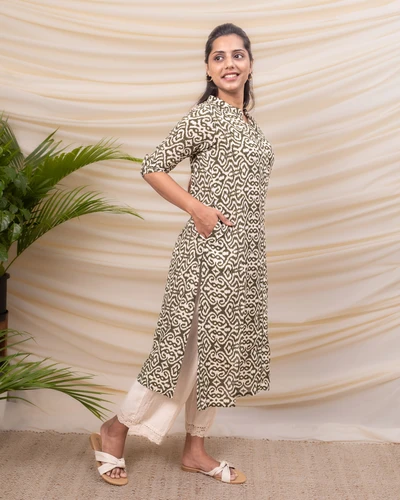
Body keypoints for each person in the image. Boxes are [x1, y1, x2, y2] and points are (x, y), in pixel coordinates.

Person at [90, 22, 275, 487]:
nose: (229, 63)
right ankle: (115, 430)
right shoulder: (204, 116)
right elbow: (153, 166)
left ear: (250, 64)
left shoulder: (250, 125)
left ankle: (195, 449)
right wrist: (197, 209)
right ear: (208, 69)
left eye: (237, 55)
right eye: (218, 57)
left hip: (244, 259)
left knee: (218, 353)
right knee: (180, 351)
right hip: (206, 256)